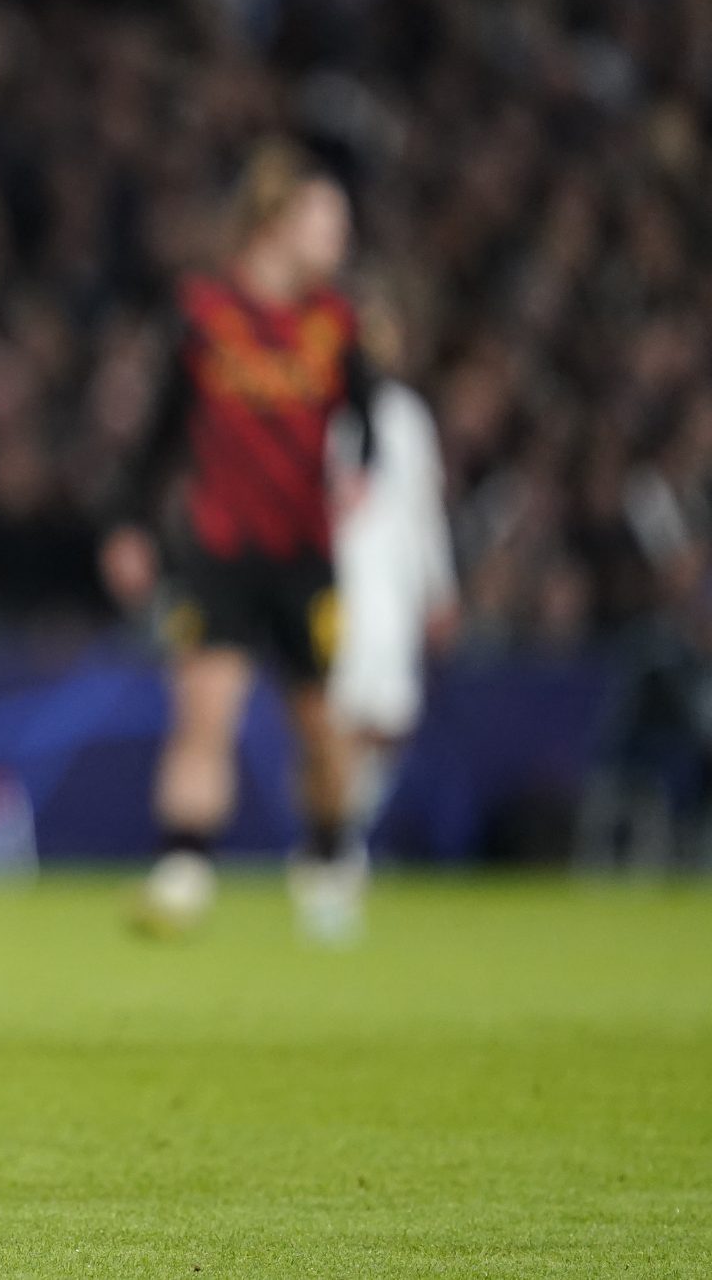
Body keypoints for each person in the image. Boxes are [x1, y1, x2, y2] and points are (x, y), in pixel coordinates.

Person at [101, 144, 376, 943]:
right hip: (219, 546)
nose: (340, 239)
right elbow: (160, 431)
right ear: (278, 222)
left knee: (321, 729)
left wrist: (362, 471)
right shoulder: (205, 316)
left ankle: (326, 858)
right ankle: (183, 868)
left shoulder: (335, 324)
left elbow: (371, 416)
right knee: (203, 715)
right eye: (329, 221)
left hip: (304, 551)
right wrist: (130, 524)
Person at [327, 298, 461, 851]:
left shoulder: (408, 415)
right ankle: (331, 842)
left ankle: (342, 828)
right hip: (344, 584)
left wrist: (441, 589)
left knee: (390, 721)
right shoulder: (329, 415)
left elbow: (426, 508)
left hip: (397, 588)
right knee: (344, 715)